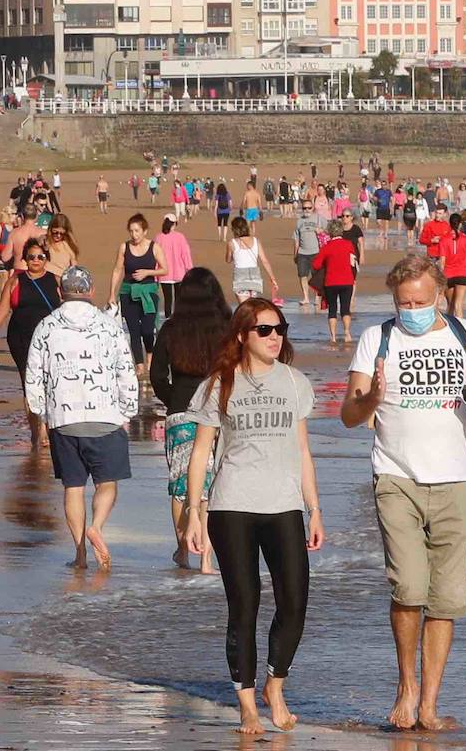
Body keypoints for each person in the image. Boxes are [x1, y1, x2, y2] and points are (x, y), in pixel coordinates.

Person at [340, 255, 466, 732]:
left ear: (439, 293)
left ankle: (429, 704)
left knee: (446, 599)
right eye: (402, 303)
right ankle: (406, 686)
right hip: (396, 478)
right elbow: (349, 415)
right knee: (409, 587)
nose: (411, 310)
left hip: (456, 479)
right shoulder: (376, 339)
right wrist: (372, 398)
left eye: (419, 302)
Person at [184, 298, 324, 735]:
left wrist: (315, 509)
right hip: (232, 505)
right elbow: (201, 453)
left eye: (279, 328)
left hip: (284, 505)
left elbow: (303, 451)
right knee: (244, 605)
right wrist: (194, 512)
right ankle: (247, 704)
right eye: (264, 330)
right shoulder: (219, 383)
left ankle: (274, 685)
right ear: (243, 335)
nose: (274, 337)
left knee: (294, 603)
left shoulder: (294, 382)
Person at [25, 265, 139, 569]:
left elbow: (33, 374)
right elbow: (125, 370)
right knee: (107, 484)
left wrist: (42, 412)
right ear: (91, 291)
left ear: (60, 292)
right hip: (106, 416)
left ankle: (79, 554)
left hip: (64, 419)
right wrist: (128, 410)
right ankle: (96, 527)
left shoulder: (46, 327)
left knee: (73, 487)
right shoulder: (109, 325)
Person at [150, 267, 232, 574]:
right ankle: (207, 557)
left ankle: (184, 550)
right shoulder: (227, 328)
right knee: (210, 484)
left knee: (181, 485)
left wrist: (173, 400)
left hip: (181, 411)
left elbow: (157, 375)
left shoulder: (171, 328)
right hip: (219, 410)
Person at [0, 237, 62, 449]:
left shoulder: (56, 281)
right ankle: (37, 432)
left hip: (51, 341)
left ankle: (48, 427)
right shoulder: (15, 281)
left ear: (46, 258)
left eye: (40, 256)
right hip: (20, 339)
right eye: (31, 256)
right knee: (30, 385)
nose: (36, 260)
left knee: (50, 384)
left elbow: (67, 309)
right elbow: (3, 309)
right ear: (25, 259)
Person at [108, 213, 168, 376]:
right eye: (131, 231)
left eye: (137, 231)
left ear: (144, 231)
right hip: (128, 292)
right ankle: (139, 366)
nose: (134, 235)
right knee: (134, 331)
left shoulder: (154, 247)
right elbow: (117, 270)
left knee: (147, 330)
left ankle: (150, 355)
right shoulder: (124, 247)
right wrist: (112, 294)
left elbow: (165, 269)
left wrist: (147, 272)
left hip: (148, 293)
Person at [312, 219, 357, 343]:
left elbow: (316, 265)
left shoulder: (326, 247)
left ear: (330, 232)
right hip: (347, 281)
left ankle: (333, 337)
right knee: (345, 309)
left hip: (331, 282)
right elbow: (353, 261)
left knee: (332, 309)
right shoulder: (348, 244)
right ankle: (347, 333)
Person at [226, 215, 277, 304]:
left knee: (244, 306)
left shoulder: (232, 243)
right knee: (252, 306)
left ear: (234, 229)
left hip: (240, 276)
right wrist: (272, 278)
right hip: (254, 276)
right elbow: (264, 261)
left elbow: (228, 260)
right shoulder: (256, 241)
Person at [438, 213, 466, 318]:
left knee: (450, 305)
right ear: (460, 224)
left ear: (450, 224)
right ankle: (460, 325)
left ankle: (450, 324)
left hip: (448, 275)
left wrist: (440, 277)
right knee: (458, 305)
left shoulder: (444, 239)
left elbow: (442, 261)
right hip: (462, 274)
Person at [157, 214, 193, 316]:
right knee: (178, 298)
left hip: (164, 273)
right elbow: (185, 254)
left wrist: (155, 274)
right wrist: (189, 268)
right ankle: (178, 318)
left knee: (167, 299)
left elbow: (155, 256)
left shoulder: (159, 237)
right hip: (179, 273)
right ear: (174, 224)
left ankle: (168, 319)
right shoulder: (180, 237)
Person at [292, 209, 322, 306]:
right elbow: (296, 240)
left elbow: (328, 231)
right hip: (302, 253)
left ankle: (317, 298)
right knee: (302, 275)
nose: (307, 210)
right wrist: (295, 254)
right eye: (305, 208)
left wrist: (321, 231)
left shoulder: (318, 218)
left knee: (316, 276)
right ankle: (306, 298)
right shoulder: (299, 221)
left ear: (312, 208)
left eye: (309, 208)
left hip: (315, 252)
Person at [0, 207, 15, 276]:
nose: (16, 216)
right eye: (14, 214)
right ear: (8, 215)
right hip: (2, 256)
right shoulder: (0, 227)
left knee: (12, 276)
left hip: (13, 256)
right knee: (5, 277)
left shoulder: (16, 227)